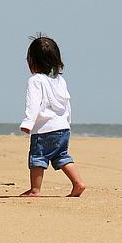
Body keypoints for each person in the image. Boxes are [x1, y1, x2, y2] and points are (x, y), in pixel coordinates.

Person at [19, 34, 86, 197]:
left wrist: (28, 123)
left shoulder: (36, 81)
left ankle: (35, 190)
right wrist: (67, 121)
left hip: (44, 129)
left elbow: (33, 104)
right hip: (62, 128)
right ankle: (78, 183)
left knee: (37, 157)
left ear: (32, 61)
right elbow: (66, 103)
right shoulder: (59, 80)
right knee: (61, 156)